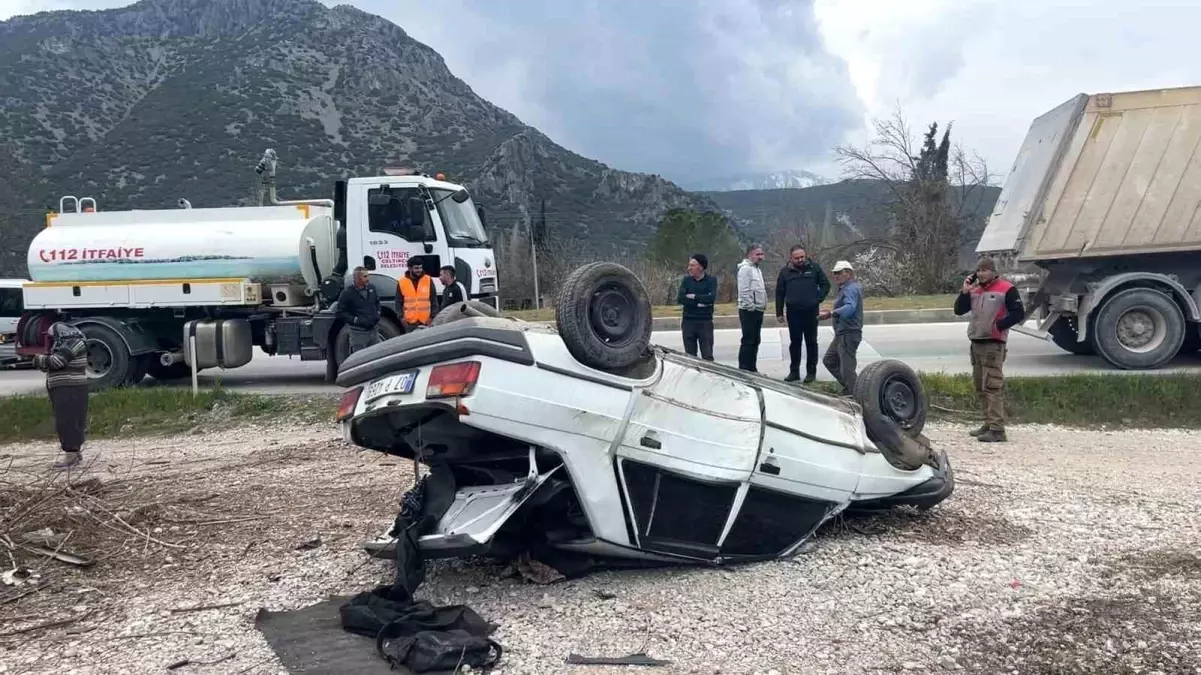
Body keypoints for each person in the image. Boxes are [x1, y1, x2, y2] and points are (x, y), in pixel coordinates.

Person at [953, 257, 1025, 443]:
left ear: (994, 271)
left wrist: (998, 326)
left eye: (985, 270)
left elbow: (1018, 313)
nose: (981, 273)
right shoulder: (975, 290)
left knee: (992, 385)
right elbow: (959, 310)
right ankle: (988, 423)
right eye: (979, 270)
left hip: (993, 343)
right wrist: (964, 292)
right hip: (976, 341)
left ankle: (997, 429)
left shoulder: (1006, 289)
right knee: (980, 385)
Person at [32, 322, 89, 470]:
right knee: (65, 422)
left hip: (71, 388)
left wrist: (39, 359)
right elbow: (49, 365)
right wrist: (45, 361)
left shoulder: (74, 343)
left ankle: (71, 457)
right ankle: (74, 454)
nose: (51, 339)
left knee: (69, 422)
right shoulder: (65, 344)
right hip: (63, 388)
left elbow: (57, 361)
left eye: (52, 336)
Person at [775, 245, 831, 383]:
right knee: (795, 343)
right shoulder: (785, 272)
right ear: (791, 258)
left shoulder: (814, 268)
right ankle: (794, 372)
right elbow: (779, 293)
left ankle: (811, 373)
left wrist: (818, 298)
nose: (800, 260)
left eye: (802, 257)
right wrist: (779, 312)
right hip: (793, 313)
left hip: (811, 312)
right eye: (797, 258)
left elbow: (826, 284)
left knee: (811, 342)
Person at [819, 260, 863, 395]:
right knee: (830, 360)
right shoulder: (845, 288)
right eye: (834, 273)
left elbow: (850, 308)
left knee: (847, 369)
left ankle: (858, 395)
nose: (836, 276)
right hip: (841, 333)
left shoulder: (850, 288)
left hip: (849, 334)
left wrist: (831, 313)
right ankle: (851, 388)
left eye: (839, 273)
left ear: (849, 273)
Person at [676, 253, 717, 360]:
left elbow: (711, 299)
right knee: (690, 357)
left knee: (707, 355)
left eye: (692, 265)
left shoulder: (711, 281)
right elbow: (681, 299)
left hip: (705, 322)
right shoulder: (686, 281)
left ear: (701, 267)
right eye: (689, 265)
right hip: (688, 321)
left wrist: (694, 296)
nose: (689, 268)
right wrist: (699, 303)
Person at [736, 244, 767, 372]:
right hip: (749, 311)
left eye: (761, 254)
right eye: (757, 254)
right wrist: (751, 307)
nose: (760, 257)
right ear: (750, 254)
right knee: (748, 340)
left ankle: (752, 368)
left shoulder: (756, 269)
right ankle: (744, 369)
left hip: (758, 309)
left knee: (755, 340)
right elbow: (743, 291)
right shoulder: (745, 269)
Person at [338, 266, 383, 355]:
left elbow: (377, 302)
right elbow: (341, 311)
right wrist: (354, 320)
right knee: (360, 359)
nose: (368, 278)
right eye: (365, 276)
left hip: (373, 331)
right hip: (358, 333)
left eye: (368, 276)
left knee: (378, 355)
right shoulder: (347, 293)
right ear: (357, 278)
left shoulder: (372, 288)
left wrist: (378, 313)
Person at [396, 258, 437, 332]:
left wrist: (432, 317)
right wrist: (401, 318)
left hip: (426, 322)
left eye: (421, 267)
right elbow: (398, 302)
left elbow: (434, 300)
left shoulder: (428, 280)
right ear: (409, 268)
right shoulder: (402, 282)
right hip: (410, 323)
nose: (419, 270)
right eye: (416, 268)